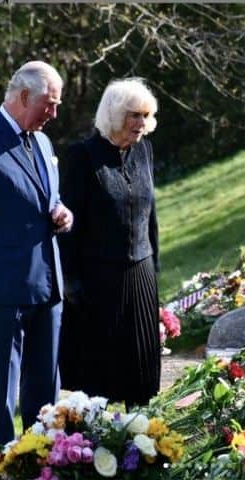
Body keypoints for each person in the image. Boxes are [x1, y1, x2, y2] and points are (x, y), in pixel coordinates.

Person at [0, 60, 73, 480]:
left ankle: (42, 462)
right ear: (24, 96)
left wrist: (63, 213)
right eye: (51, 103)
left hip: (47, 285)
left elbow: (50, 199)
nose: (54, 112)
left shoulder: (43, 144)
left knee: (45, 387)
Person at [58, 78, 161, 407]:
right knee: (98, 376)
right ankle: (96, 447)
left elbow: (150, 214)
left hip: (140, 274)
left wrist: (154, 268)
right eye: (134, 115)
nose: (141, 123)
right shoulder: (83, 157)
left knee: (140, 371)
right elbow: (68, 227)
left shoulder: (144, 149)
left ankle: (143, 441)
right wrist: (70, 282)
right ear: (114, 114)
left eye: (146, 115)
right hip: (98, 280)